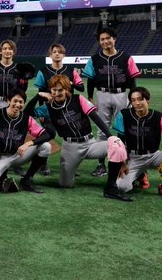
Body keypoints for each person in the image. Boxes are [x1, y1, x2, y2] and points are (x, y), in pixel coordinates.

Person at [24, 75, 132, 201]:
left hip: (90, 144)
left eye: (60, 90)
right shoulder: (48, 108)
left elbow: (96, 118)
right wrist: (38, 96)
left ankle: (111, 188)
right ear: (50, 90)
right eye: (54, 90)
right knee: (65, 184)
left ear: (67, 89)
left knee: (117, 144)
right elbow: (26, 114)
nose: (57, 93)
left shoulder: (78, 99)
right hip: (70, 148)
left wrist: (110, 137)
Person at [82, 27, 140, 177]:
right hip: (101, 94)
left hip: (121, 94)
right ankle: (101, 165)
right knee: (102, 129)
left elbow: (132, 80)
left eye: (108, 38)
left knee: (124, 129)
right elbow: (90, 79)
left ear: (114, 39)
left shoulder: (126, 57)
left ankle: (123, 162)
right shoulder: (94, 59)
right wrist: (90, 97)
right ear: (99, 42)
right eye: (102, 39)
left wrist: (133, 98)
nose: (105, 41)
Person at [114, 87, 162, 200]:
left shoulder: (159, 116)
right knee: (121, 187)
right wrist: (122, 162)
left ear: (148, 100)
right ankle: (140, 175)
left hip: (154, 156)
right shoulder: (123, 115)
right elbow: (120, 141)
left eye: (140, 99)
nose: (137, 103)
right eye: (133, 100)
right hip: (134, 158)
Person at [0, 88, 52, 194]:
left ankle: (27, 179)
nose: (18, 104)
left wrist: (29, 143)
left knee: (46, 146)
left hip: (17, 155)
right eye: (15, 101)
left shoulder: (26, 118)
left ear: (24, 103)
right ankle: (2, 180)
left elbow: (46, 135)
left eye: (21, 102)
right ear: (9, 101)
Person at [32, 43, 84, 176]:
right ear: (50, 55)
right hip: (49, 109)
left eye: (59, 52)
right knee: (48, 134)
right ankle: (43, 164)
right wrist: (41, 112)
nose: (57, 54)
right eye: (54, 51)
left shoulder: (71, 71)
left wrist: (70, 83)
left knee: (70, 137)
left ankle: (70, 166)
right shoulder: (44, 71)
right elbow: (40, 92)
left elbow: (81, 88)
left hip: (67, 109)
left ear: (63, 55)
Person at [0, 39, 28, 118]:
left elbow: (22, 90)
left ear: (13, 52)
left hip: (14, 102)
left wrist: (25, 82)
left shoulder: (19, 69)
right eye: (5, 48)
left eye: (10, 49)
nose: (7, 51)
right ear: (0, 51)